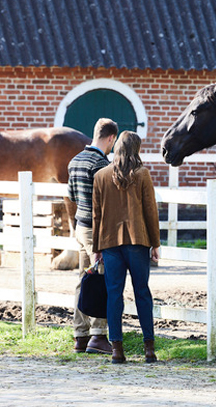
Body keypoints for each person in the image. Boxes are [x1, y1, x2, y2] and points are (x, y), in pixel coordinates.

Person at [92, 131, 161, 364]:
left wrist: (96, 247)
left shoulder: (101, 176)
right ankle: (149, 350)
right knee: (142, 293)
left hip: (110, 244)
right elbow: (151, 212)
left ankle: (117, 351)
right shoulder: (141, 174)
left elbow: (96, 216)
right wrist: (156, 244)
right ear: (136, 149)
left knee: (114, 295)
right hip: (138, 242)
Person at [67, 118, 118, 354]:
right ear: (111, 138)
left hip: (80, 226)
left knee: (84, 280)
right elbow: (104, 205)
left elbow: (72, 197)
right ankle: (98, 335)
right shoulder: (100, 164)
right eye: (113, 142)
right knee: (101, 280)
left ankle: (80, 334)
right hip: (96, 231)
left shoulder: (75, 161)